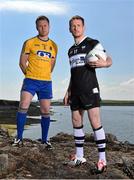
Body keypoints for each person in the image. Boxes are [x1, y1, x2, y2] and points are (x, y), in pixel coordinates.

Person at [63, 15, 112, 173]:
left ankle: (102, 160)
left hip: (90, 89)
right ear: (70, 29)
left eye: (78, 25)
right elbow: (73, 73)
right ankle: (80, 156)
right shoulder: (70, 51)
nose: (76, 28)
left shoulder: (92, 42)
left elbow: (108, 58)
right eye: (73, 26)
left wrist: (104, 64)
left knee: (95, 122)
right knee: (76, 120)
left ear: (83, 27)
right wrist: (68, 90)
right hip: (75, 90)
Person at [12, 15, 58, 149]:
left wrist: (44, 74)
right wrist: (30, 74)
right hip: (31, 80)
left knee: (45, 111)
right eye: (40, 26)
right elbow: (22, 62)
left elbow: (52, 65)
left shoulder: (54, 46)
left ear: (49, 27)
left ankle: (44, 140)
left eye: (45, 25)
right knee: (24, 105)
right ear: (36, 27)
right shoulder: (29, 42)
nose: (43, 28)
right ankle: (19, 138)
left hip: (46, 82)